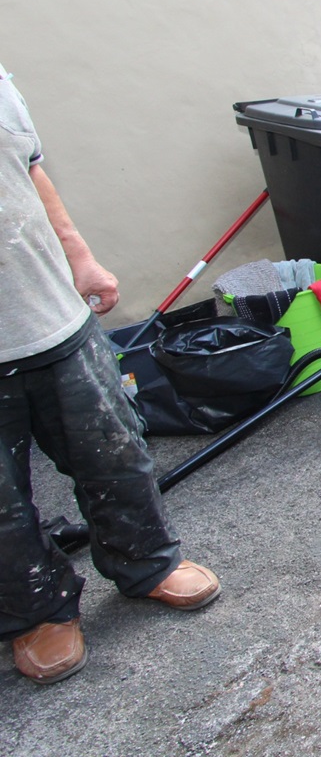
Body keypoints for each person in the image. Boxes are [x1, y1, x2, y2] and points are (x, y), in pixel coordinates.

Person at [1, 63, 220, 685]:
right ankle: (36, 611)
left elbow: (28, 170)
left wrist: (80, 256)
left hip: (52, 319)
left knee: (116, 453)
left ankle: (146, 564)